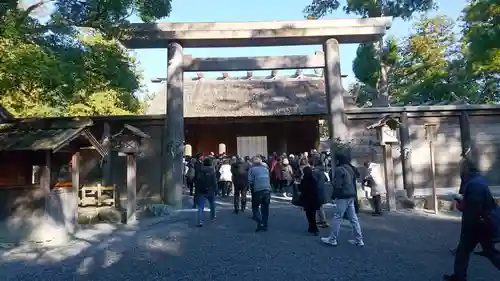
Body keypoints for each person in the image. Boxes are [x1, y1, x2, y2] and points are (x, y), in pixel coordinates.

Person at [443, 157, 500, 281]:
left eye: (461, 167)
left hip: (481, 224)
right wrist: (461, 199)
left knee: (490, 253)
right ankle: (459, 276)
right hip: (481, 222)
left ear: (466, 168)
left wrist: (468, 225)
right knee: (464, 251)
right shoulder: (473, 180)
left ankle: (459, 276)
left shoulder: (475, 184)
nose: (459, 170)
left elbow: (474, 208)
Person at [321, 153, 364, 247]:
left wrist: (333, 195)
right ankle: (359, 239)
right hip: (351, 195)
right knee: (353, 218)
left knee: (337, 217)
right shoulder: (350, 168)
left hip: (343, 195)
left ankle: (332, 239)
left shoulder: (339, 169)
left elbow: (338, 185)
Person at [299, 165, 326, 235]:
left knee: (309, 214)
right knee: (313, 214)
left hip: (307, 200)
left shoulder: (304, 180)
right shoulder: (313, 180)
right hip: (314, 199)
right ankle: (312, 227)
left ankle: (312, 227)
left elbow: (302, 190)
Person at [248, 156, 272, 232]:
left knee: (255, 207)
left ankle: (260, 222)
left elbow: (250, 180)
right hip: (267, 189)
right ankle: (265, 224)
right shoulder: (265, 169)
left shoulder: (252, 169)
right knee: (265, 208)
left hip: (258, 190)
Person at [194, 157, 217, 227]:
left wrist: (197, 191)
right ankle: (212, 217)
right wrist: (216, 189)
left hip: (201, 191)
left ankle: (200, 221)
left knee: (201, 207)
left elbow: (197, 181)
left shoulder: (200, 170)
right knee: (212, 204)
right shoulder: (212, 170)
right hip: (210, 190)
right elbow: (214, 182)